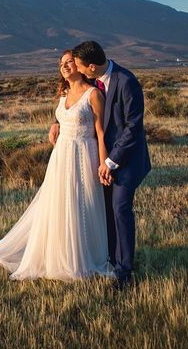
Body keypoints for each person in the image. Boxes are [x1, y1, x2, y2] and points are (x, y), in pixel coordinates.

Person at [0, 50, 113, 281]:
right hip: (61, 157)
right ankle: (60, 254)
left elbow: (101, 133)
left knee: (84, 204)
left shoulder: (93, 95)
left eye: (69, 62)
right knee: (60, 205)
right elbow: (65, 116)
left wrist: (104, 164)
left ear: (80, 65)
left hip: (84, 155)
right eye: (61, 63)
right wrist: (55, 123)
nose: (65, 66)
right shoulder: (63, 94)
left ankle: (85, 256)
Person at [49, 41, 151, 290]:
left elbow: (133, 128)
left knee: (119, 209)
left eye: (80, 67)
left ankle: (124, 272)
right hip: (99, 157)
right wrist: (56, 122)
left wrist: (110, 161)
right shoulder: (93, 80)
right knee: (103, 209)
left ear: (92, 67)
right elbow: (76, 105)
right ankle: (108, 256)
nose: (77, 71)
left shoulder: (126, 82)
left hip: (126, 159)